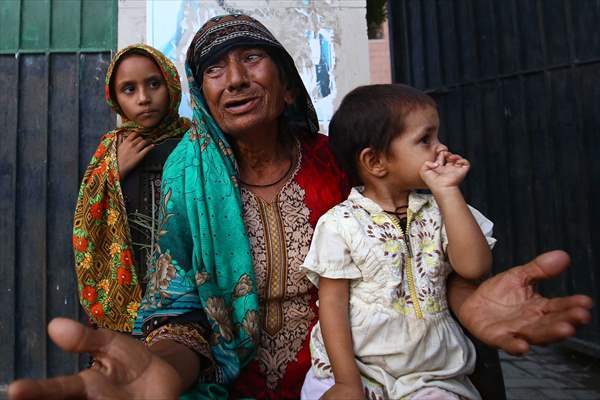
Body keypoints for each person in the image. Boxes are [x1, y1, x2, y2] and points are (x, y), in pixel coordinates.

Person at [8, 14, 592, 400]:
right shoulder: (182, 181)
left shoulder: (342, 165)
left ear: (287, 84)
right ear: (200, 92)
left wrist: (464, 301)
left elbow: (414, 249)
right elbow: (177, 304)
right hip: (228, 386)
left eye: (251, 60)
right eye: (213, 68)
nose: (234, 79)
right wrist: (162, 366)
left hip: (353, 380)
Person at [300, 84, 495, 400]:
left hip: (429, 373)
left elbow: (474, 266)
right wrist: (347, 382)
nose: (441, 147)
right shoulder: (340, 223)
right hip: (355, 370)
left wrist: (448, 192)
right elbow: (332, 307)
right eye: (425, 139)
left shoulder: (443, 209)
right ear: (375, 162)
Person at [72, 44, 191, 332]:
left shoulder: (194, 143)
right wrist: (114, 170)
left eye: (153, 83)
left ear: (171, 84)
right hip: (131, 282)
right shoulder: (111, 149)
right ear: (115, 98)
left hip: (186, 288)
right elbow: (85, 220)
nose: (143, 98)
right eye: (129, 89)